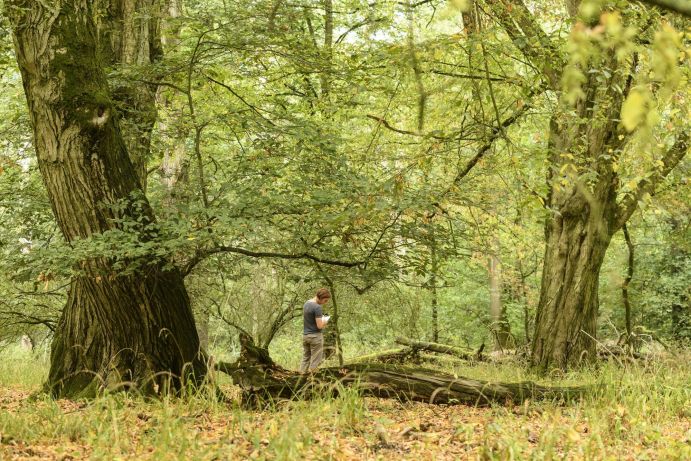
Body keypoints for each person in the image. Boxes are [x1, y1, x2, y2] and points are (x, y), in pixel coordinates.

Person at [300, 288, 331, 373]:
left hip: (305, 336)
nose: (325, 302)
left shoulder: (306, 303)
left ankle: (300, 377)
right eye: (325, 300)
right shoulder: (317, 307)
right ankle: (312, 381)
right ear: (320, 298)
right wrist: (325, 321)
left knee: (305, 358)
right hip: (315, 337)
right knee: (315, 361)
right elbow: (319, 326)